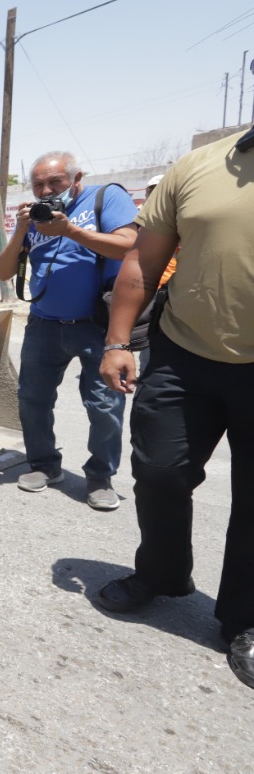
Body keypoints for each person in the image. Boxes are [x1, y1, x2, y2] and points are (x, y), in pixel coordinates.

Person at [97, 128, 254, 691]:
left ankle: (245, 619)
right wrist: (118, 342)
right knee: (159, 470)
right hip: (185, 353)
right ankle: (162, 575)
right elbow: (142, 259)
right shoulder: (200, 167)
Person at [0, 151, 137, 511]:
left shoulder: (105, 197)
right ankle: (43, 464)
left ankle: (100, 476)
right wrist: (22, 230)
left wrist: (70, 229)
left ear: (75, 179)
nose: (46, 190)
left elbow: (129, 247)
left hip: (96, 326)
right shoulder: (35, 217)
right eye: (38, 184)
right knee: (32, 399)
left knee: (104, 404)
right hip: (43, 324)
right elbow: (2, 271)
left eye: (54, 182)